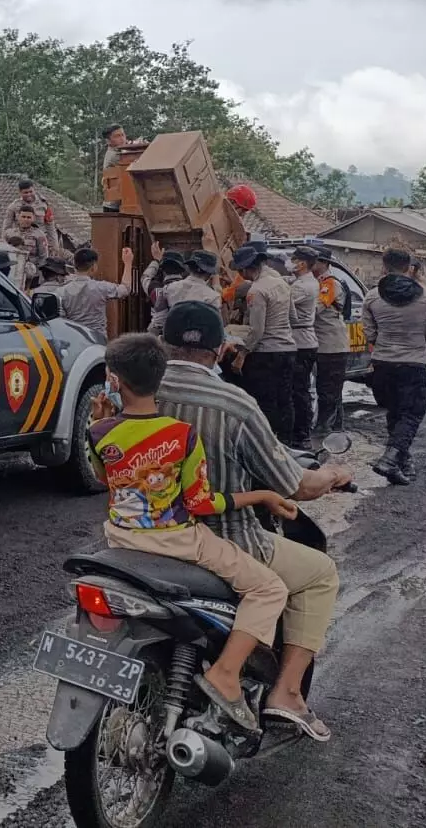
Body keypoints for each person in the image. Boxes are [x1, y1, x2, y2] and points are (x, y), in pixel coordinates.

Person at [157, 302, 350, 741]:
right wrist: (334, 475)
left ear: (164, 342)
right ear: (220, 348)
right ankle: (285, 692)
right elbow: (294, 485)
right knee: (320, 573)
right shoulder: (235, 404)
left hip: (141, 533)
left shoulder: (139, 389)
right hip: (222, 538)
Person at [90, 331, 294, 732]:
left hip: (120, 539)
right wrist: (262, 495)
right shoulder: (182, 436)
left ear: (114, 381)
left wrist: (101, 420)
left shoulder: (99, 433)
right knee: (270, 589)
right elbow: (201, 503)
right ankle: (227, 674)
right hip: (179, 543)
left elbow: (104, 478)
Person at [364, 248, 426, 485]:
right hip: (413, 365)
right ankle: (390, 460)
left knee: (395, 413)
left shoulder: (371, 296)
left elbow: (369, 334)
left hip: (382, 365)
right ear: (409, 267)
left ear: (384, 267)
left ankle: (403, 464)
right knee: (411, 415)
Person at [230, 242, 298, 443]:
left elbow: (257, 330)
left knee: (264, 401)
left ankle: (267, 444)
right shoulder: (282, 283)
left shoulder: (257, 290)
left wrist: (241, 355)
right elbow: (293, 318)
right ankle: (287, 442)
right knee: (285, 399)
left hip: (266, 353)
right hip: (288, 349)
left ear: (246, 269)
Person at [309, 246, 352, 435]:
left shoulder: (329, 284)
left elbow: (315, 309)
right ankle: (336, 427)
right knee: (329, 388)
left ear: (324, 263)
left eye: (315, 261)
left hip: (332, 345)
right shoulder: (316, 282)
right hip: (324, 344)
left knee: (329, 389)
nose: (311, 264)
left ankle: (325, 428)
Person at [58, 246, 135, 337]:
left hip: (75, 340)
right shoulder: (101, 288)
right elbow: (125, 290)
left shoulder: (61, 291)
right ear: (93, 267)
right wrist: (128, 263)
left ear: (74, 266)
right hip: (97, 339)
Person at [286, 246, 321, 447]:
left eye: (294, 259)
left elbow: (282, 298)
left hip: (301, 341)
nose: (290, 262)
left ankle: (302, 434)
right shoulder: (300, 282)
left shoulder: (304, 286)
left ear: (302, 263)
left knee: (299, 390)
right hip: (300, 339)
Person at [4, 205, 58, 285]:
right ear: (18, 217)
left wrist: (39, 277)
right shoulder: (9, 233)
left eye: (29, 217)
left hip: (32, 275)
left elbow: (43, 257)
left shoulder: (39, 235)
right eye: (23, 216)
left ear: (33, 218)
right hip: (12, 272)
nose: (26, 219)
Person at [163, 249, 224, 314]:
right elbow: (215, 322)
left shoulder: (169, 288)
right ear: (209, 274)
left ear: (189, 268)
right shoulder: (213, 297)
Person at [146, 251, 190, 338]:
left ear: (162, 270)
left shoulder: (153, 287)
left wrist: (156, 261)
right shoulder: (190, 288)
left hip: (157, 335)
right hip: (182, 336)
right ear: (182, 271)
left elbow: (145, 277)